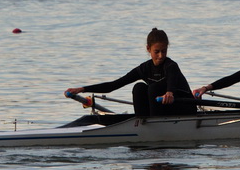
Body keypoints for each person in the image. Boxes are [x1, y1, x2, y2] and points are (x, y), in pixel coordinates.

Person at [66, 27, 195, 121]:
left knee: (153, 88)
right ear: (148, 49)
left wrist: (169, 93)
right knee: (139, 87)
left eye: (164, 51)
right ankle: (141, 121)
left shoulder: (171, 66)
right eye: (157, 52)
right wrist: (82, 89)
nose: (161, 56)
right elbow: (113, 85)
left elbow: (171, 82)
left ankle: (153, 125)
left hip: (184, 109)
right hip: (163, 111)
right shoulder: (144, 68)